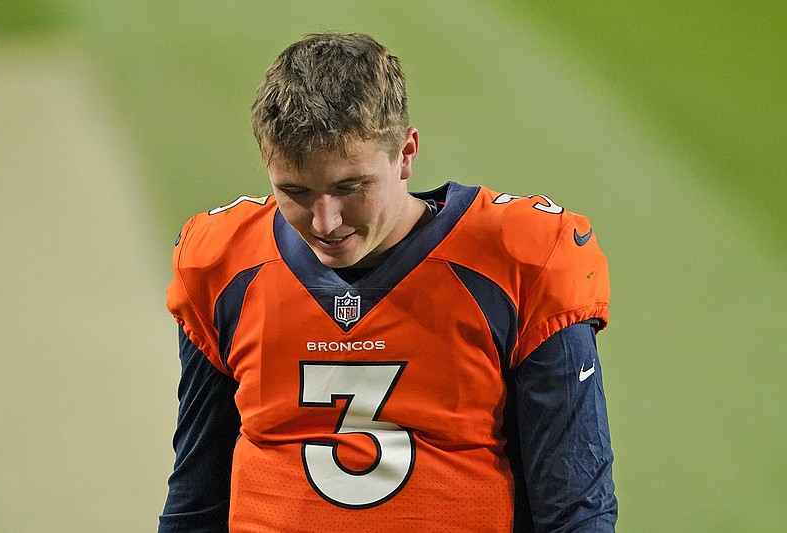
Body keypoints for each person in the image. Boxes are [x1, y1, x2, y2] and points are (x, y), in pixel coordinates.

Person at [159, 32, 617, 532]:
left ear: (406, 152)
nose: (325, 221)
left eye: (349, 187)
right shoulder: (225, 264)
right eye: (295, 192)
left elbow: (575, 509)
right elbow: (196, 500)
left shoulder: (520, 259)